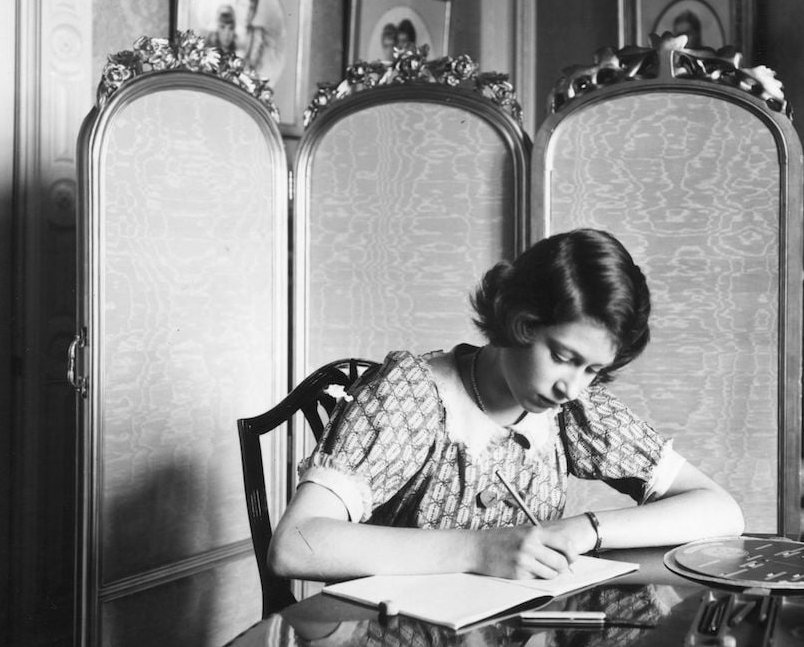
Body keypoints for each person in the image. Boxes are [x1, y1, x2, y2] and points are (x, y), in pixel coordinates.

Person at [269, 228, 745, 583]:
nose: (573, 388)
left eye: (593, 370)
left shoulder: (572, 410)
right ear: (521, 323)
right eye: (563, 357)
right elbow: (294, 544)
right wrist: (478, 550)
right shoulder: (413, 395)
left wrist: (587, 529)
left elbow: (722, 511)